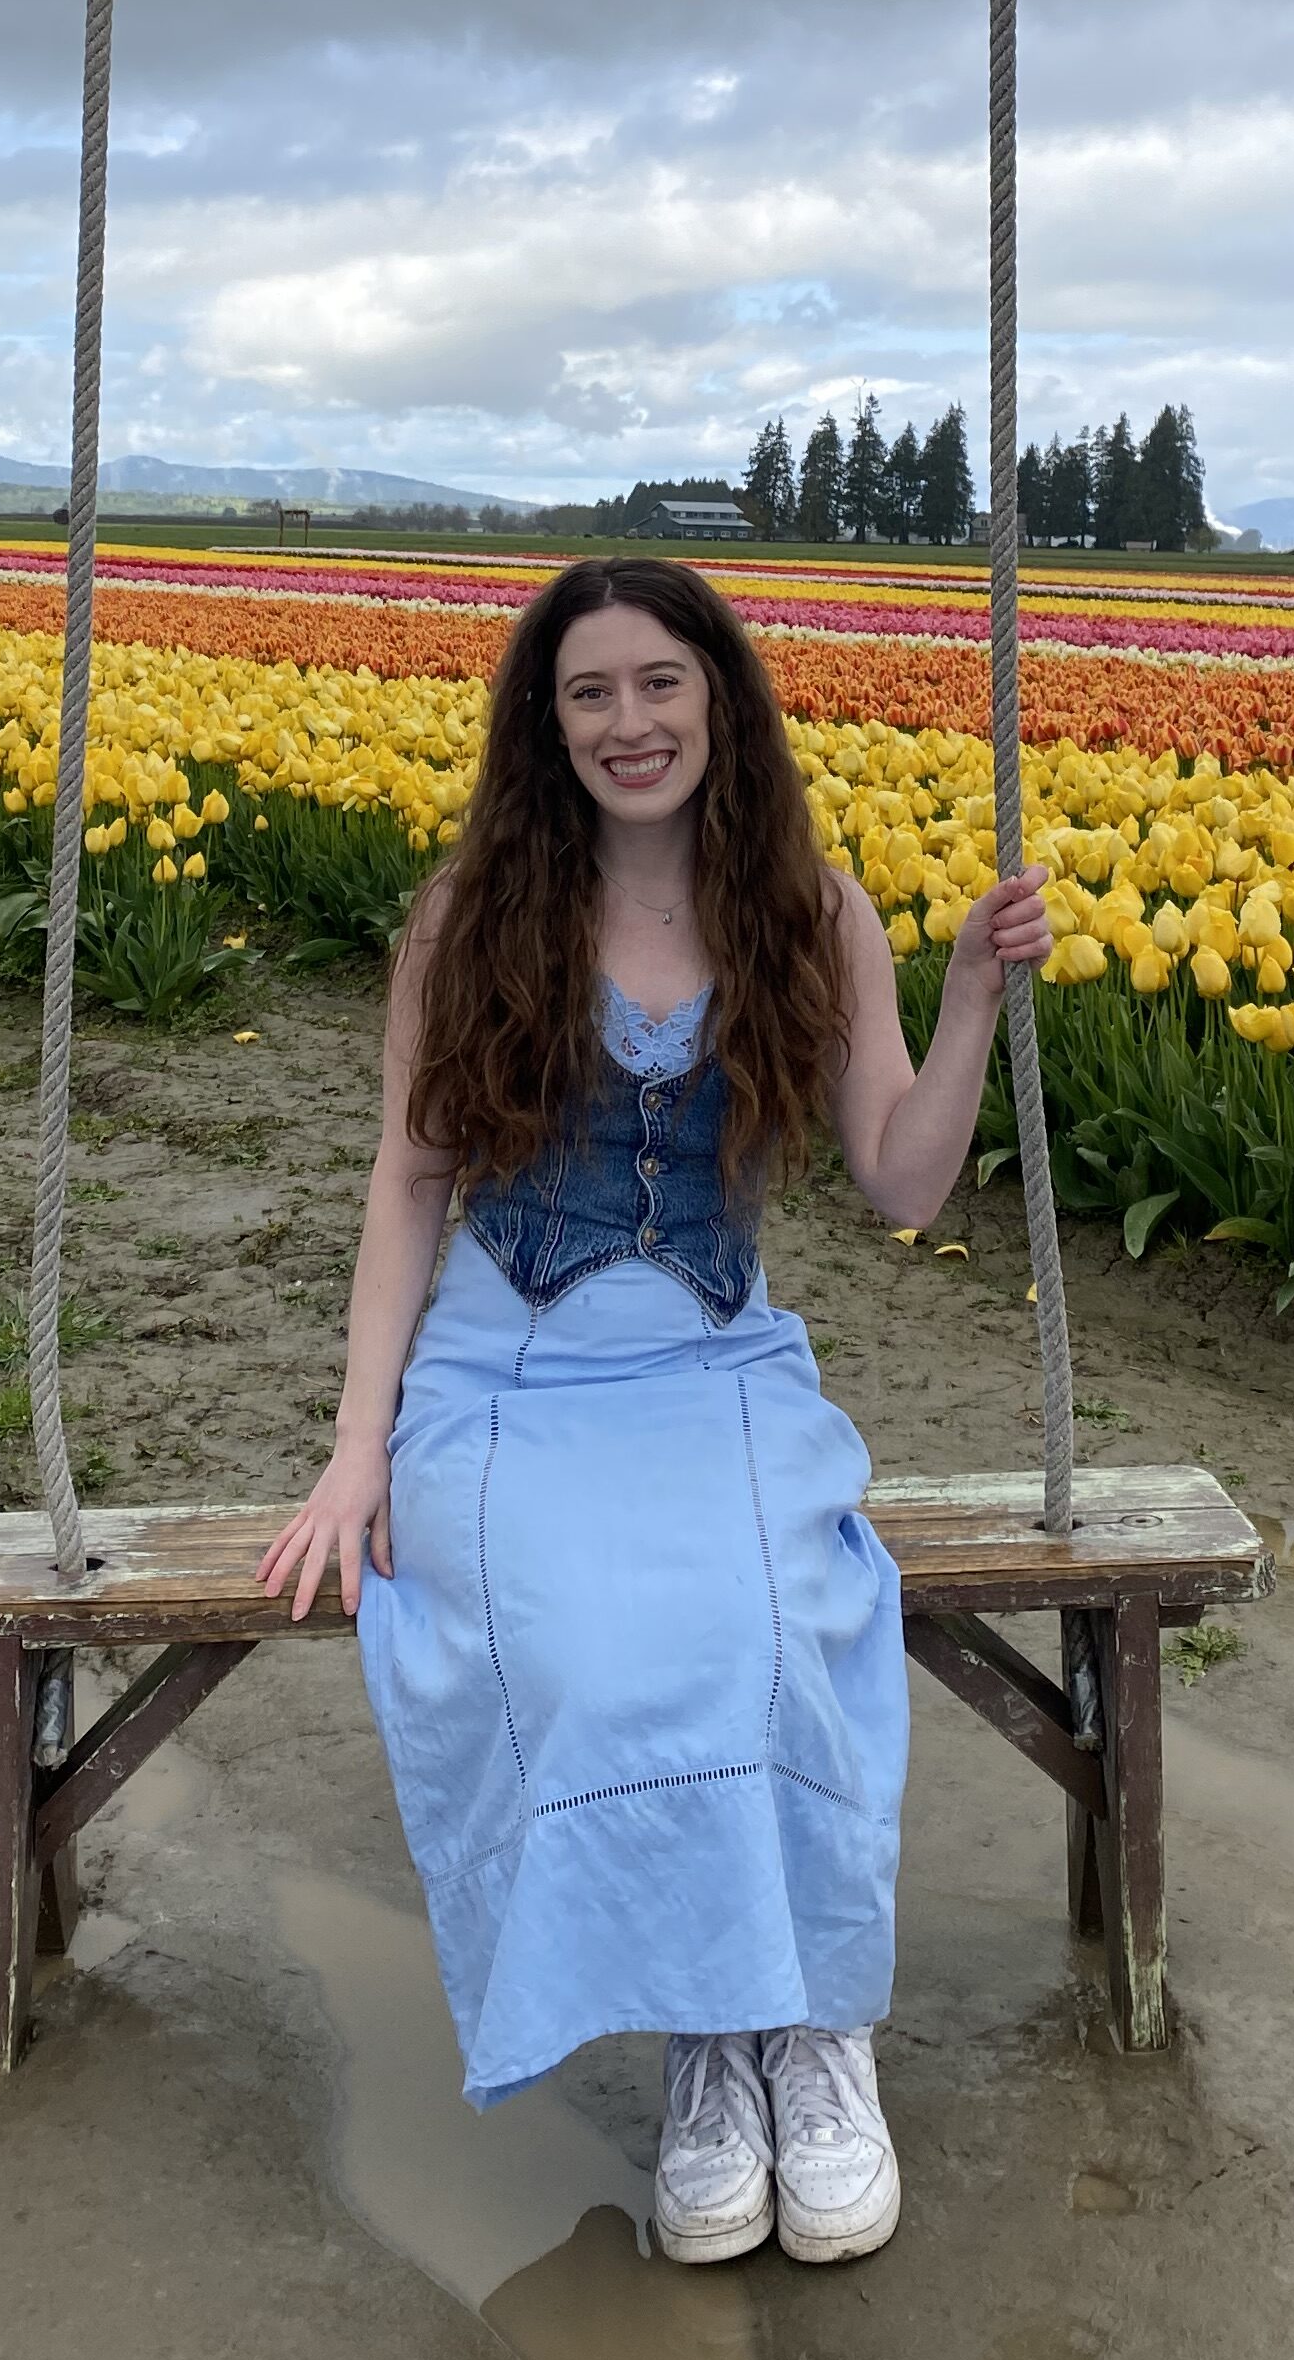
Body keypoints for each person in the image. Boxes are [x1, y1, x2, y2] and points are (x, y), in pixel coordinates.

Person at [258, 553, 1052, 2267]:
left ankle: (810, 2028)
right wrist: (355, 1444)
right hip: (507, 1373)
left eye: (659, 683)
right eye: (590, 693)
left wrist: (973, 1003)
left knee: (782, 1626)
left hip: (712, 1360)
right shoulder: (471, 915)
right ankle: (708, 2029)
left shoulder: (811, 913)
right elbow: (409, 1183)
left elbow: (905, 1184)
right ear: (546, 726)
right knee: (583, 1658)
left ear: (719, 700)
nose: (629, 722)